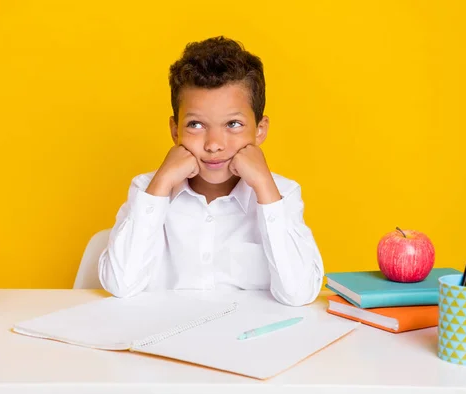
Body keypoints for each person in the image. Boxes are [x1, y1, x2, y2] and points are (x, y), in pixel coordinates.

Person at [98, 36, 324, 306]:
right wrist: (160, 186)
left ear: (260, 130)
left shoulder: (282, 194)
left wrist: (265, 188)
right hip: (164, 338)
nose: (214, 144)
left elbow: (299, 293)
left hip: (247, 342)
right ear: (175, 130)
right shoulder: (147, 189)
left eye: (233, 124)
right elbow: (120, 284)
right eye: (196, 125)